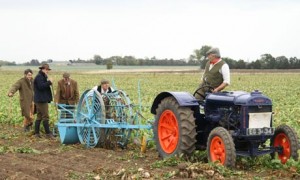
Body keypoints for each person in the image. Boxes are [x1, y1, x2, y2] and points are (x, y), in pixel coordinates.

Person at [33, 63, 54, 138]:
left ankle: (37, 133)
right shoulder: (39, 77)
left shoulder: (42, 76)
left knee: (39, 116)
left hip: (41, 99)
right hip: (41, 100)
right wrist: (49, 82)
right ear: (42, 69)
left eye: (48, 70)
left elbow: (43, 86)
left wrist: (48, 82)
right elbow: (41, 86)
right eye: (46, 69)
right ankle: (48, 133)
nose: (47, 71)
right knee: (45, 116)